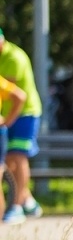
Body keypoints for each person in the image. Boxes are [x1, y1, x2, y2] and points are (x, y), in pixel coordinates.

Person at [0, 27, 44, 224]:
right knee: (8, 162)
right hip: (6, 114)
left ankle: (16, 206)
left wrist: (7, 121)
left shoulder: (14, 57)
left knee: (16, 156)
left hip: (24, 113)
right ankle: (27, 200)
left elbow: (16, 96)